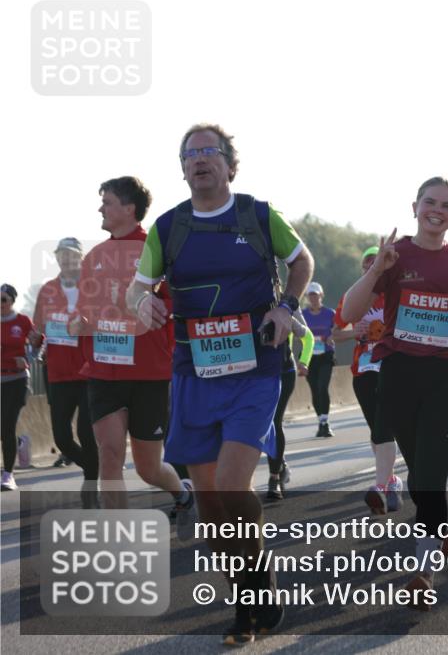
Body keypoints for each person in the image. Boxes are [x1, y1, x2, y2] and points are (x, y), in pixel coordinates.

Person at [128, 123, 314, 644]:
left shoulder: (257, 214)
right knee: (211, 507)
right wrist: (143, 302)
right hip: (195, 374)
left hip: (255, 369)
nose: (199, 160)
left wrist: (286, 306)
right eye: (190, 154)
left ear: (231, 165)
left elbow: (302, 261)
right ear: (182, 167)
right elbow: (135, 291)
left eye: (210, 152)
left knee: (234, 485)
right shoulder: (167, 228)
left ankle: (256, 595)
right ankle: (246, 592)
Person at [340, 176, 448, 610]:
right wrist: (376, 270)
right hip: (399, 374)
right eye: (430, 203)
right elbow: (349, 312)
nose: (437, 210)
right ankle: (444, 533)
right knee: (421, 472)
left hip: (446, 377)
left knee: (429, 477)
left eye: (445, 205)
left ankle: (422, 572)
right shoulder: (395, 254)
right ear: (415, 207)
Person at [69, 177, 187, 514]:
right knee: (109, 455)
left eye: (107, 202)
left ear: (129, 208)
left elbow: (174, 305)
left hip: (149, 372)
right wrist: (80, 323)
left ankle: (182, 492)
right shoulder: (94, 257)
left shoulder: (157, 250)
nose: (100, 208)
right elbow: (84, 313)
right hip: (105, 371)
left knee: (148, 468)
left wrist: (157, 306)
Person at [333, 247, 404, 514]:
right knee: (377, 432)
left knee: (384, 426)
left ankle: (381, 486)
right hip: (363, 371)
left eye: (375, 263)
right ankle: (393, 480)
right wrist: (354, 331)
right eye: (365, 264)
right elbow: (335, 333)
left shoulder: (395, 293)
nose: (369, 268)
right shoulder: (354, 296)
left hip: (392, 369)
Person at [29, 238, 100, 503]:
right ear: (56, 258)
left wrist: (87, 325)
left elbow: (106, 322)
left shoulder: (93, 288)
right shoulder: (48, 290)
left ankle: (91, 485)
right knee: (61, 437)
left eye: (71, 255)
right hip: (57, 372)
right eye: (61, 255)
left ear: (81, 257)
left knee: (86, 432)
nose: (66, 259)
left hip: (89, 370)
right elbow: (37, 331)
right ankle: (93, 469)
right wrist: (35, 338)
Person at [266, 310, 313, 500]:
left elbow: (308, 338)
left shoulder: (283, 313)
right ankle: (280, 464)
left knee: (274, 421)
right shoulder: (244, 311)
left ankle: (273, 479)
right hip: (258, 375)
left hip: (285, 372)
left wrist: (304, 361)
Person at [1, 284, 33, 491]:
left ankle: (8, 475)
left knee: (7, 425)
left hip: (18, 380)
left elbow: (39, 345)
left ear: (12, 301)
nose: (0, 304)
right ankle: (20, 443)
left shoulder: (23, 321)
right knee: (4, 429)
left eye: (3, 299)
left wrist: (27, 358)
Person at [302, 282, 336, 437]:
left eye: (316, 295)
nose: (314, 298)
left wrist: (331, 337)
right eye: (311, 295)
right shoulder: (302, 315)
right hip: (309, 357)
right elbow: (298, 335)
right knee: (315, 390)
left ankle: (325, 422)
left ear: (321, 296)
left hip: (326, 356)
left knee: (323, 387)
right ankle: (320, 421)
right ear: (307, 297)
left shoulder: (330, 313)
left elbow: (338, 329)